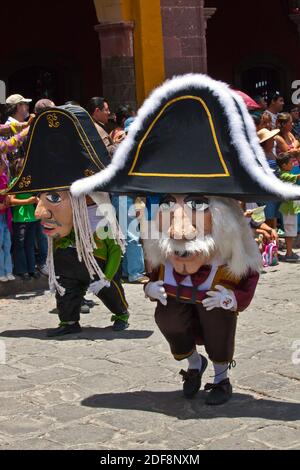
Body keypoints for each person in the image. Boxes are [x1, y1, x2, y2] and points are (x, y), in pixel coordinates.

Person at [71, 74, 300, 405]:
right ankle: (194, 364)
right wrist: (152, 286)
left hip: (212, 296)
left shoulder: (228, 249)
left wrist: (234, 300)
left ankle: (221, 377)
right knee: (167, 315)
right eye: (168, 204)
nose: (178, 226)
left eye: (195, 205)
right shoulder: (162, 243)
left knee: (218, 318)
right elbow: (155, 270)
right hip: (178, 295)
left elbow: (247, 278)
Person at [6, 105, 129, 335]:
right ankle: (69, 321)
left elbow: (105, 182)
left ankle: (121, 312)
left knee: (104, 279)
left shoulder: (93, 159)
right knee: (67, 283)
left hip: (94, 229)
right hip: (66, 234)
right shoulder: (50, 165)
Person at [276, 152, 300, 262]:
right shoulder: (283, 175)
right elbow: (294, 177)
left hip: (291, 208)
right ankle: (289, 253)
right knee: (290, 231)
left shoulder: (286, 173)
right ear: (284, 165)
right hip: (288, 209)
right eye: (291, 163)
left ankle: (290, 252)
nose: (293, 164)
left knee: (291, 231)